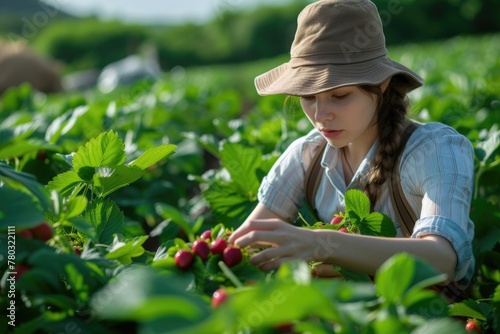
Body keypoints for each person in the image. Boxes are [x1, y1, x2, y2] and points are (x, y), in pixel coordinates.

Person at [227, 0, 475, 292]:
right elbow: (249, 242)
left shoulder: (434, 150)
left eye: (340, 95)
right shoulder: (306, 155)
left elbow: (441, 258)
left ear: (382, 85)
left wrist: (321, 243)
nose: (320, 116)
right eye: (308, 97)